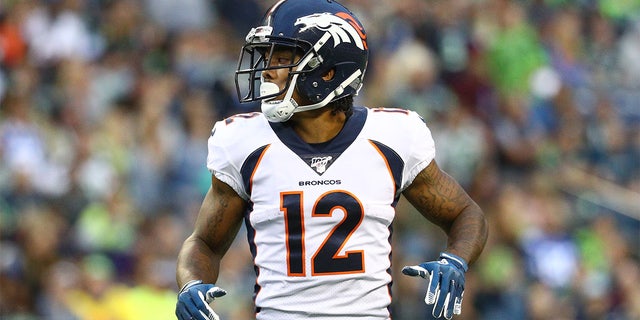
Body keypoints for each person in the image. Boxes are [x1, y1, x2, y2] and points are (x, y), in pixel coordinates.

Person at [175, 0, 488, 319]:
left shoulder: (392, 138)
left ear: (327, 72)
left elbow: (465, 213)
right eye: (269, 56)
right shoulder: (243, 142)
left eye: (282, 57)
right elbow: (204, 243)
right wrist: (191, 283)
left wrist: (456, 260)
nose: (268, 69)